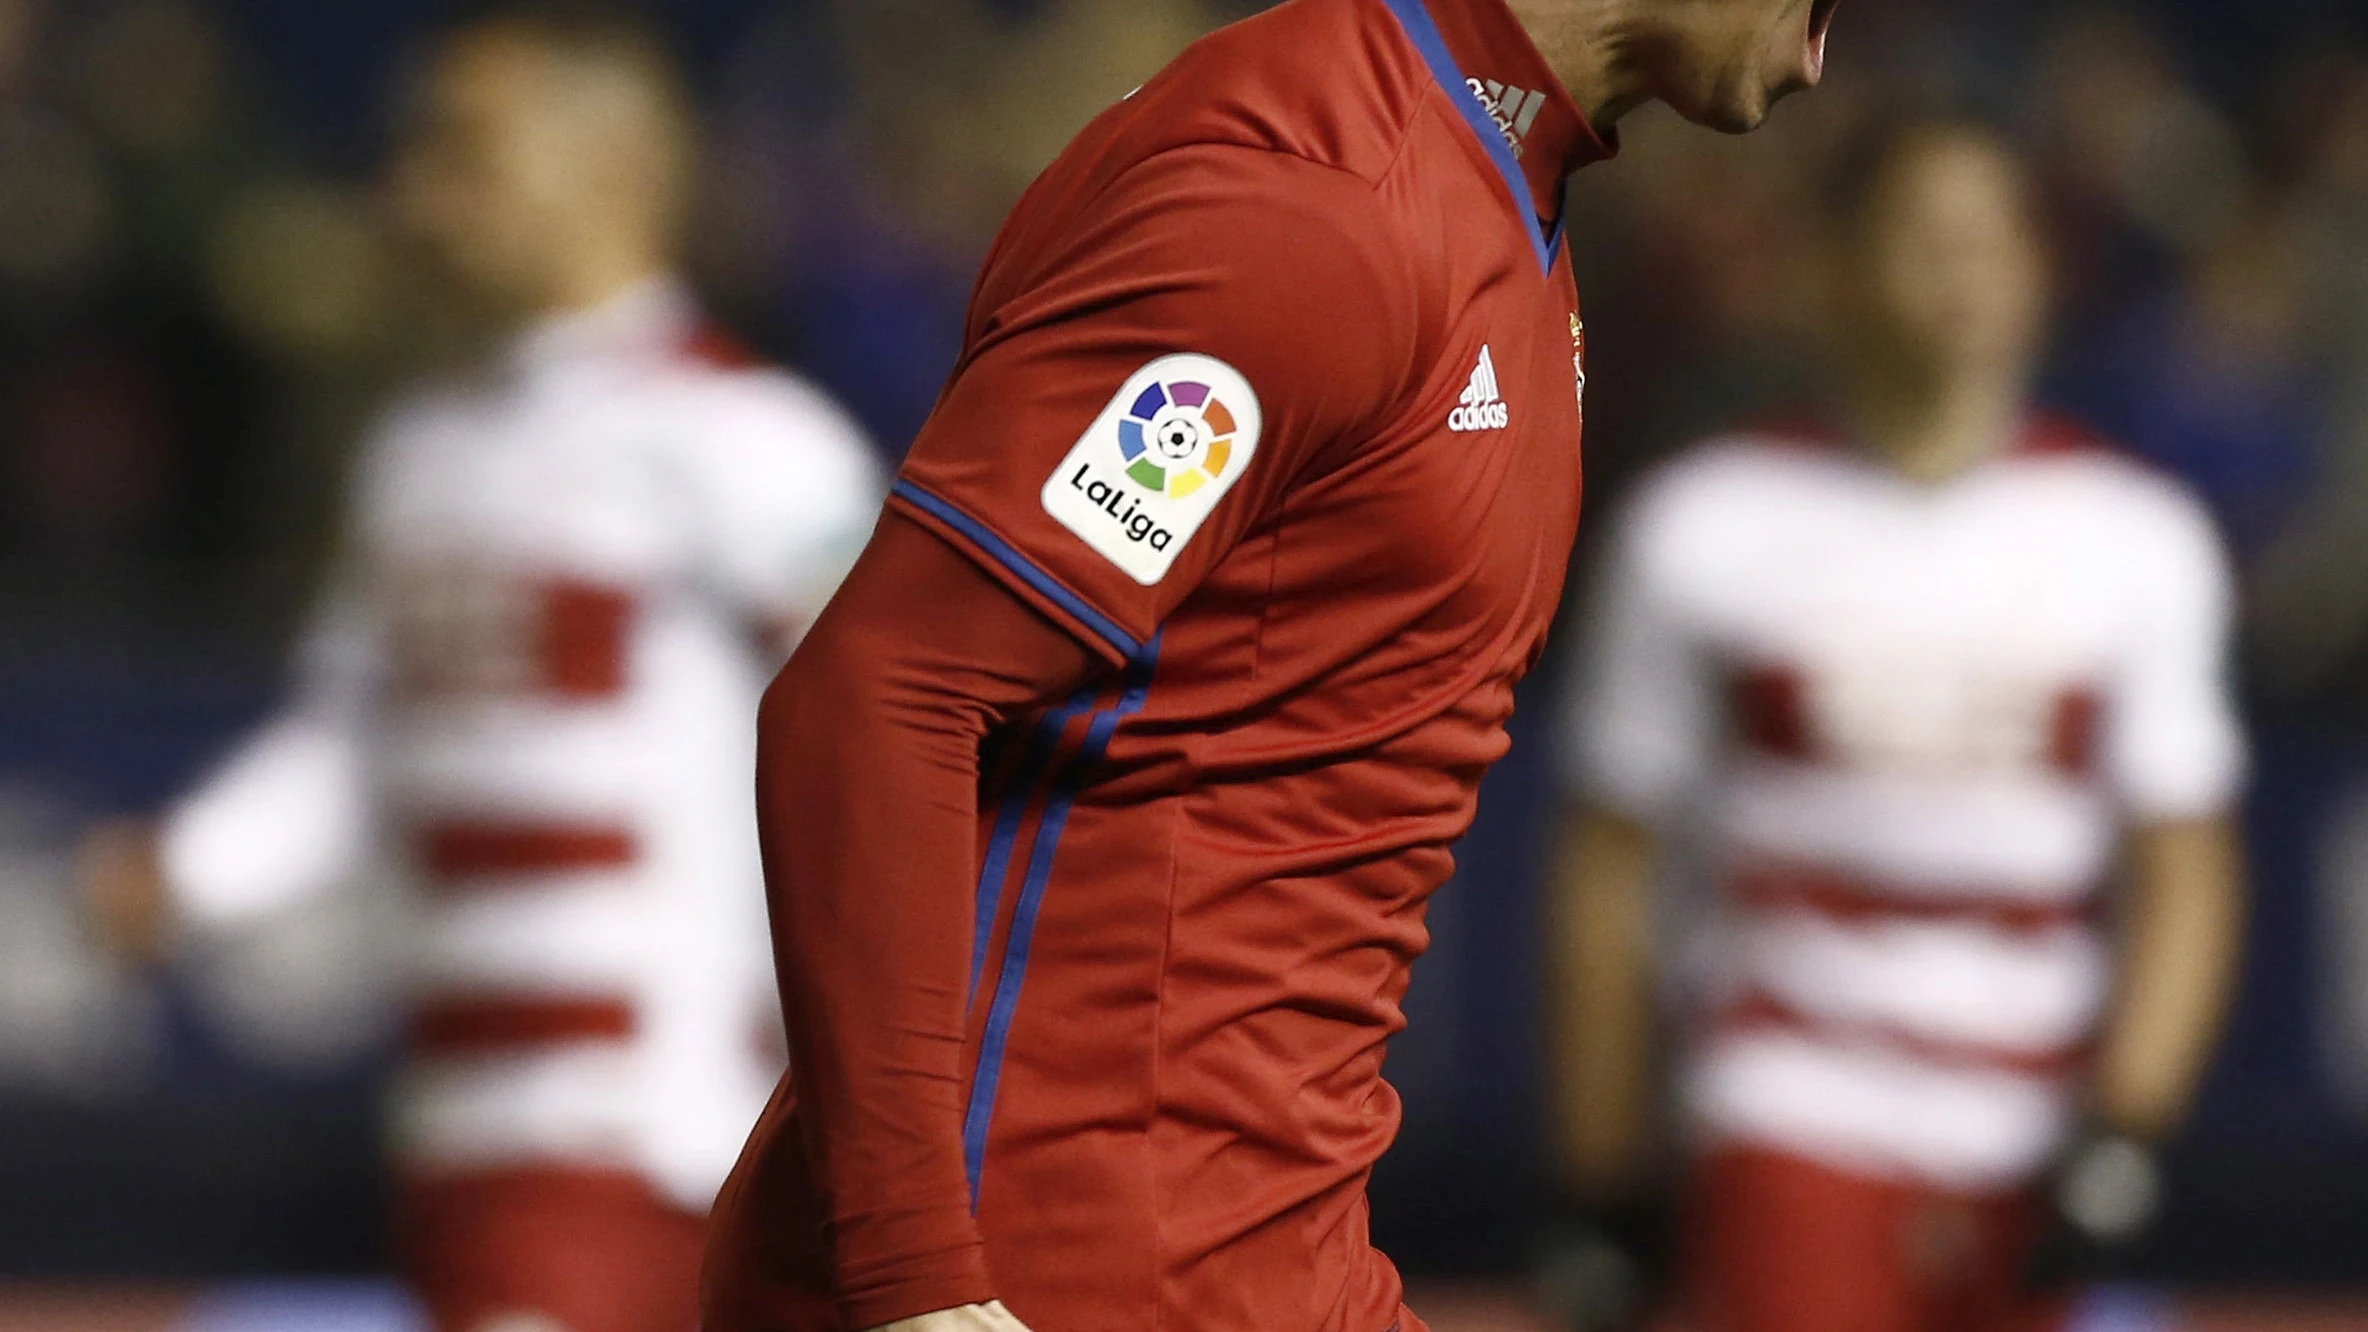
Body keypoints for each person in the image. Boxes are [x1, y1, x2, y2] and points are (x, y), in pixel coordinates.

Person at [699, 1, 1844, 1331]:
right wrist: (914, 1281)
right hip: (1054, 1265)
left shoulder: (1494, 191)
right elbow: (881, 691)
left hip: (1267, 1249)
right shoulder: (1314, 200)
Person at [77, 8, 882, 1332]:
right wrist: (189, 871)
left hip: (662, 1134)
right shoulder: (422, 454)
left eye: (467, 149)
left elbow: (918, 725)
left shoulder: (740, 440)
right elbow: (352, 744)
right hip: (467, 1139)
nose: (419, 191)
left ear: (612, 162)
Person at [1547, 119, 2248, 1332]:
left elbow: (2185, 865)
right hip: (1787, 1119)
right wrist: (1603, 1176)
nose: (1958, 276)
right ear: (1833, 266)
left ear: (2042, 269)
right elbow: (1610, 870)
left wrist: (2127, 1128)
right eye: (1922, 239)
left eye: (1988, 241)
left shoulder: (2133, 539)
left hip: (2033, 1134)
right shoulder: (1704, 524)